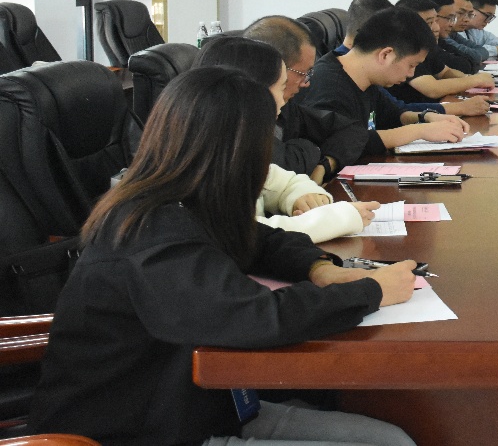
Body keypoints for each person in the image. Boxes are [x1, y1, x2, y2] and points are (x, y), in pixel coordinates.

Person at [30, 66, 418, 446]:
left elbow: (259, 239)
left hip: (199, 407)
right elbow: (256, 317)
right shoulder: (152, 232)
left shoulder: (186, 202)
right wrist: (371, 292)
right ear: (237, 149)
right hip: (140, 431)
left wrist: (319, 268)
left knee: (389, 439)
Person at [194, 36, 378, 243]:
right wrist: (338, 218)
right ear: (250, 91)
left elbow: (281, 180)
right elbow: (242, 234)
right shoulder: (205, 160)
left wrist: (304, 196)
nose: (283, 102)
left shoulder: (236, 146)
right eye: (281, 89)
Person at [302, 6, 469, 158]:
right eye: (412, 65)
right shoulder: (330, 87)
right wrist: (420, 131)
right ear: (385, 55)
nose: (411, 74)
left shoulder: (365, 77)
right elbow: (343, 143)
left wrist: (427, 117)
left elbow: (393, 114)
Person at [243, 14, 366, 184]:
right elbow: (284, 165)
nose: (306, 83)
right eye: (303, 73)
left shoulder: (286, 107)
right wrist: (310, 147)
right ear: (275, 67)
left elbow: (352, 129)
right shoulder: (239, 118)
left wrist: (325, 164)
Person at [389, 0, 495, 110]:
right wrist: (475, 80)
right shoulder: (405, 50)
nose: (436, 28)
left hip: (431, 111)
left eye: (436, 21)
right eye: (429, 23)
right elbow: (432, 89)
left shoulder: (427, 47)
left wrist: (470, 79)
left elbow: (446, 72)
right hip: (415, 114)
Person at [420, 0, 480, 74]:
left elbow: (472, 61)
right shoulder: (420, 48)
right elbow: (463, 66)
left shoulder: (442, 41)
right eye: (449, 18)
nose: (452, 24)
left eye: (453, 19)